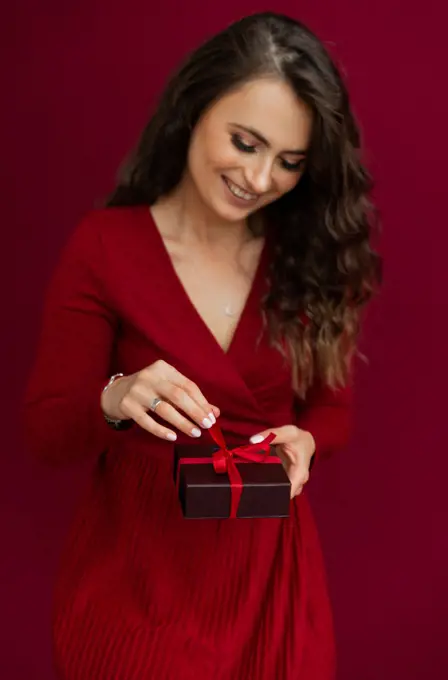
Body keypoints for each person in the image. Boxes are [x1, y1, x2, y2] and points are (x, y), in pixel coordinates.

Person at [24, 11, 381, 680]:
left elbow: (331, 413)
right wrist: (117, 396)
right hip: (136, 586)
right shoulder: (104, 248)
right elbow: (46, 432)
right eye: (245, 142)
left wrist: (306, 441)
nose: (261, 177)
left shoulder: (307, 255)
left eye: (290, 162)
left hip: (271, 582)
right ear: (195, 108)